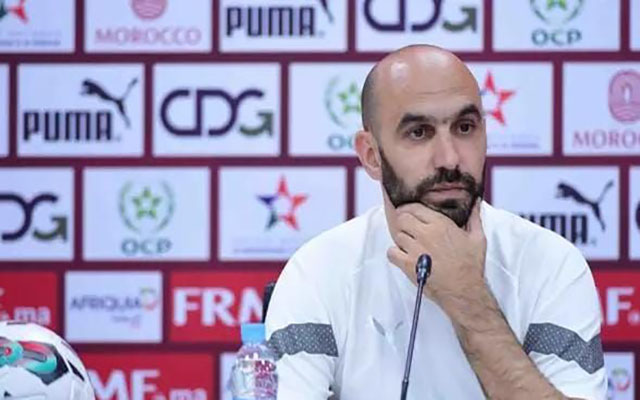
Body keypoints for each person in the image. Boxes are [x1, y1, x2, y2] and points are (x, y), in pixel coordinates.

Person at [265, 45, 606, 399]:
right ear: (371, 155)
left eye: (465, 127)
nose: (449, 159)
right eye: (419, 132)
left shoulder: (551, 264)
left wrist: (468, 298)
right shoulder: (317, 272)